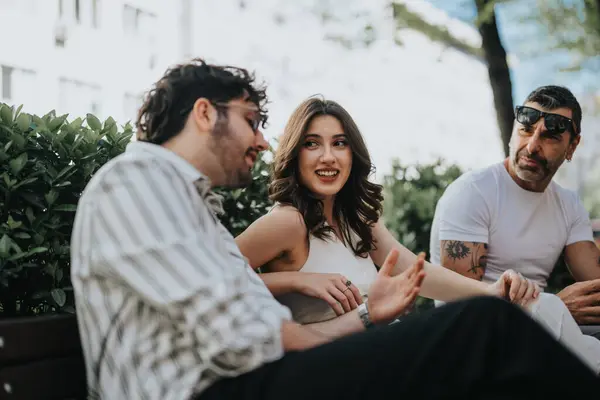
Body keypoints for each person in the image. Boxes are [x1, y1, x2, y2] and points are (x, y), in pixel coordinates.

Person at [70, 60, 599, 400]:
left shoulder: (187, 204)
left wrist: (374, 314)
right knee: (487, 331)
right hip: (220, 391)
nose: (260, 141)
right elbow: (260, 341)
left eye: (340, 143)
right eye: (253, 121)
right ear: (206, 113)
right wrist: (353, 312)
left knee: (491, 331)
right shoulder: (137, 181)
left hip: (255, 377)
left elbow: (264, 330)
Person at [429, 85, 600, 372]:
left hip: (538, 331)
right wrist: (553, 310)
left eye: (550, 137)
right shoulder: (473, 192)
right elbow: (460, 305)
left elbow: (594, 283)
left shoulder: (568, 204)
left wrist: (552, 314)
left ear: (572, 146)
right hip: (478, 339)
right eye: (525, 130)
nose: (532, 146)